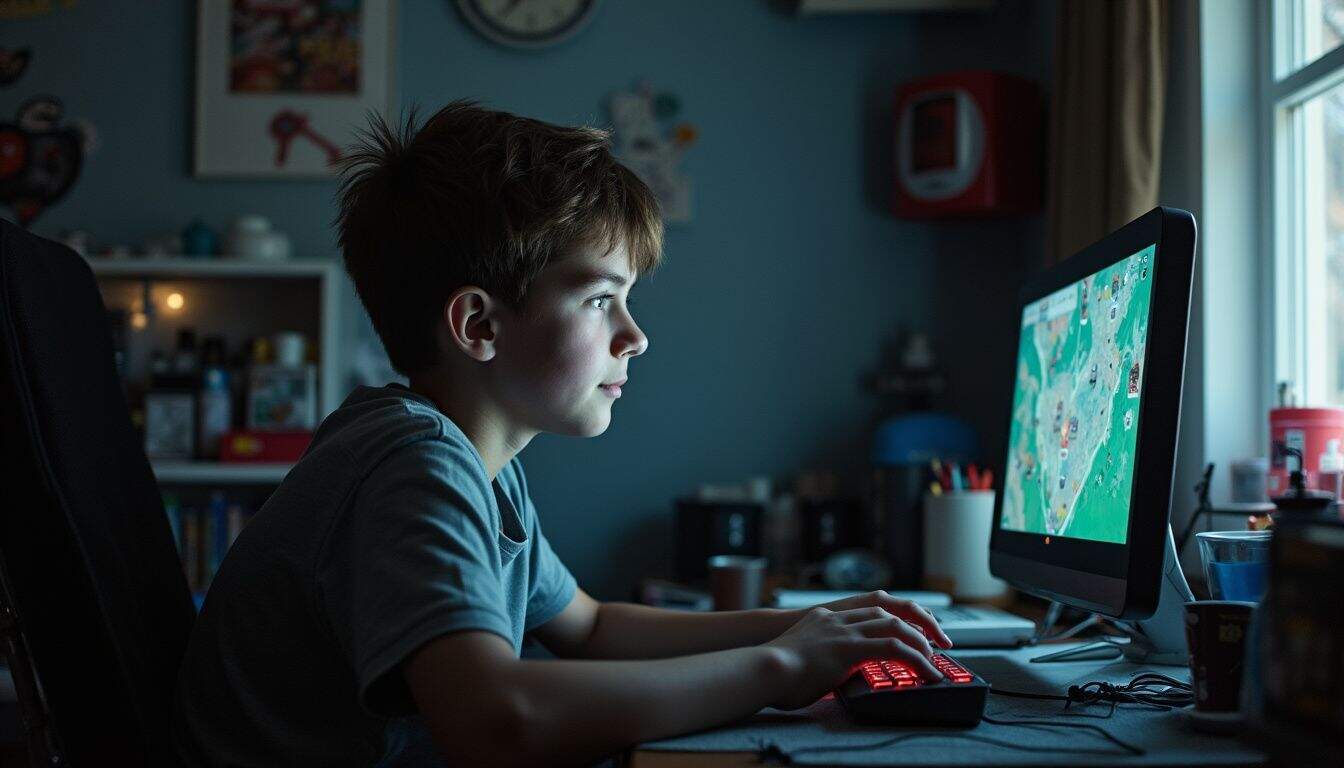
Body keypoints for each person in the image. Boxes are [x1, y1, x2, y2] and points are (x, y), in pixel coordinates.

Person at [172, 101, 952, 768]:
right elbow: (494, 720)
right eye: (600, 299)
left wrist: (812, 626)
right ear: (479, 324)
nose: (635, 336)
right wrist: (781, 667)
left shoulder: (474, 460)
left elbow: (591, 626)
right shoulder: (414, 467)